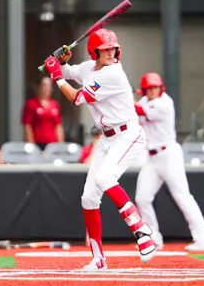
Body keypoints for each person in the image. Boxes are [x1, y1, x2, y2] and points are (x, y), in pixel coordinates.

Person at [42, 29, 157, 270]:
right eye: (105, 49)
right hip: (107, 139)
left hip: (128, 135)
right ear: (94, 52)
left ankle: (141, 229)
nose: (111, 52)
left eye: (113, 48)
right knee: (88, 198)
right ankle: (98, 258)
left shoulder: (113, 74)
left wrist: (57, 76)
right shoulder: (88, 68)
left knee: (105, 177)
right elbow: (65, 70)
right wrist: (59, 61)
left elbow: (75, 97)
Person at [133, 72, 204, 252]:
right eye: (150, 88)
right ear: (144, 90)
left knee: (182, 196)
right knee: (142, 198)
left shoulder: (165, 103)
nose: (153, 90)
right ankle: (154, 239)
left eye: (156, 87)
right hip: (152, 157)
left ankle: (203, 239)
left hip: (169, 155)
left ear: (161, 88)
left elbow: (139, 110)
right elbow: (136, 113)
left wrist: (124, 99)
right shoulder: (144, 101)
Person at [21, 76, 65, 150]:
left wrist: (60, 144)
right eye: (44, 85)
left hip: (52, 145)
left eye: (49, 85)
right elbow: (27, 126)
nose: (47, 88)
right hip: (37, 144)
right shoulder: (31, 104)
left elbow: (58, 126)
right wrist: (32, 145)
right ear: (38, 87)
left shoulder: (54, 104)